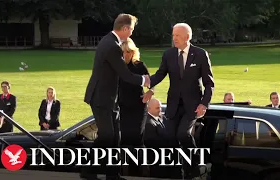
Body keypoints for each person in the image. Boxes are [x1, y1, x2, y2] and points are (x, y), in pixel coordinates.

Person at [82, 13, 150, 180]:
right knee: (107, 136)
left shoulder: (108, 41)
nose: (132, 33)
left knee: (115, 137)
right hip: (101, 98)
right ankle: (87, 170)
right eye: (131, 30)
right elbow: (125, 74)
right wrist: (145, 79)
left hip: (110, 98)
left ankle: (112, 174)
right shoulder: (112, 46)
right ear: (125, 28)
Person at [145, 23, 215, 179]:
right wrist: (145, 82)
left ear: (187, 37)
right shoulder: (168, 54)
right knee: (170, 137)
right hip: (174, 105)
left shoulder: (200, 54)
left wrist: (204, 103)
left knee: (183, 134)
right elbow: (160, 74)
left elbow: (209, 83)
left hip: (193, 106)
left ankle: (196, 164)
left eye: (177, 35)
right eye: (173, 35)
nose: (174, 38)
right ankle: (179, 172)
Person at [117, 38, 153, 176]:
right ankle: (124, 171)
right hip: (122, 107)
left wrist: (150, 92)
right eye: (123, 52)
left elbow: (151, 82)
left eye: (128, 52)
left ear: (133, 52)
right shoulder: (118, 67)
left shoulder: (139, 66)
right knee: (125, 139)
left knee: (137, 138)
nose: (125, 55)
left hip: (138, 107)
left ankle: (143, 172)